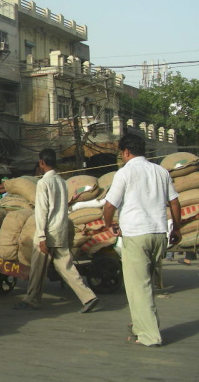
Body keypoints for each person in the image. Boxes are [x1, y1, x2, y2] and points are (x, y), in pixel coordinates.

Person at [103, 133, 181, 347]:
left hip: (137, 235)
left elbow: (110, 205)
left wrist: (109, 224)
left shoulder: (124, 173)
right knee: (142, 285)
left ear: (126, 151)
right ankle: (139, 327)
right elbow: (174, 202)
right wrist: (176, 228)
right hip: (158, 234)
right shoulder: (160, 171)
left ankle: (150, 336)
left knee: (140, 288)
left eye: (121, 153)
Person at [14, 149, 99, 313]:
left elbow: (42, 211)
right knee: (66, 267)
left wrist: (41, 236)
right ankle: (88, 297)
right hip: (60, 229)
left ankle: (32, 299)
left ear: (41, 163)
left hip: (48, 231)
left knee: (38, 268)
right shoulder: (61, 181)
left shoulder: (43, 183)